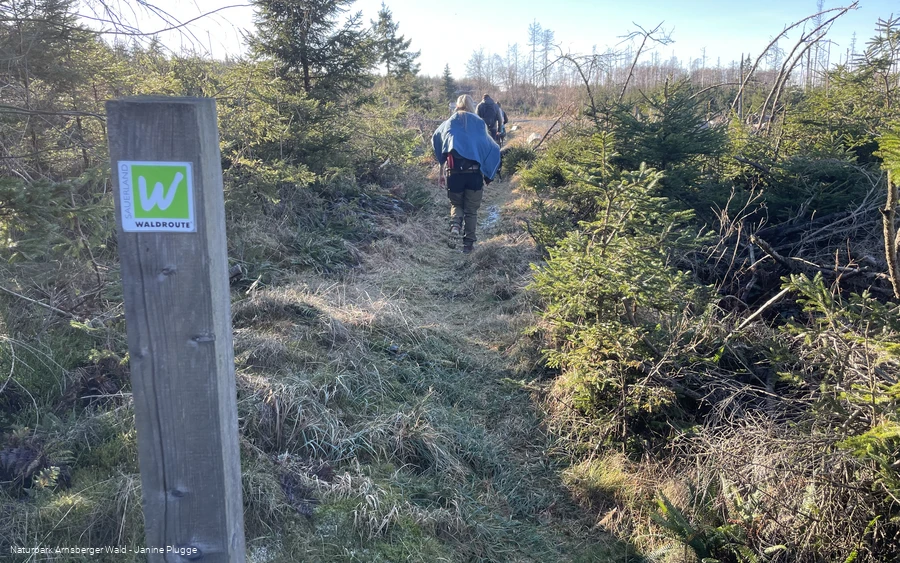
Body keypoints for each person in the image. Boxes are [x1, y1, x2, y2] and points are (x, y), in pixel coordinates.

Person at [432, 94, 501, 254]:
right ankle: (468, 246)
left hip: (454, 173)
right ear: (472, 105)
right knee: (471, 211)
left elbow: (436, 138)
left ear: (457, 105)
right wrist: (487, 171)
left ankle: (455, 224)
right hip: (474, 175)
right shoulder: (478, 123)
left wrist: (441, 172)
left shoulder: (449, 122)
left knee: (456, 205)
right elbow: (492, 147)